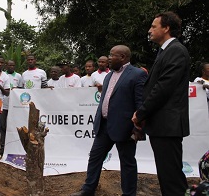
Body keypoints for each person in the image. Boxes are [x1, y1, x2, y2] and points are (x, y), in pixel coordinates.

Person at [71, 45, 147, 196]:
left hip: (124, 128)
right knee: (95, 157)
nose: (109, 58)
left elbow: (140, 103)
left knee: (127, 162)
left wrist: (138, 128)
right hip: (104, 125)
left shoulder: (137, 74)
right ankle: (88, 189)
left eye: (112, 55)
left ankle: (129, 194)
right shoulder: (108, 76)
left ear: (123, 57)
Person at [132, 11, 190, 196]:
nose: (149, 30)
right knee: (167, 175)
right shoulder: (166, 50)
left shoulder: (176, 50)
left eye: (153, 26)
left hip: (168, 125)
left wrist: (141, 113)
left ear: (166, 28)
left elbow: (163, 88)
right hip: (162, 124)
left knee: (171, 177)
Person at [0, 60, 23, 155]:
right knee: (2, 127)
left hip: (14, 106)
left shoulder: (18, 76)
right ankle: (2, 148)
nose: (11, 67)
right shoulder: (2, 75)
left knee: (13, 126)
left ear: (15, 66)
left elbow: (22, 89)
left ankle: (13, 147)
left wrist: (16, 90)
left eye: (13, 65)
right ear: (6, 65)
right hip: (2, 105)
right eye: (9, 65)